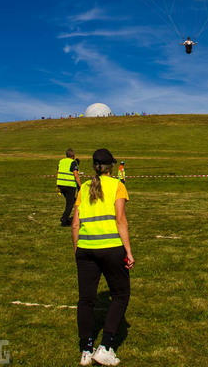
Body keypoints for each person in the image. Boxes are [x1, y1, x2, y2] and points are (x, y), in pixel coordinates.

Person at [72, 148, 134, 366]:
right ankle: (105, 347)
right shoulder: (118, 185)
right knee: (121, 294)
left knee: (86, 299)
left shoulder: (85, 186)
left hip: (85, 248)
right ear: (111, 167)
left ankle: (86, 350)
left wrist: (77, 250)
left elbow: (75, 223)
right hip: (111, 248)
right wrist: (128, 251)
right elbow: (120, 220)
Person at [57, 148, 82, 227]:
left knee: (71, 200)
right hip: (69, 185)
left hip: (61, 184)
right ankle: (64, 219)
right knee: (70, 204)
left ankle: (66, 219)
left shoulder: (61, 161)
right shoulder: (73, 162)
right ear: (73, 155)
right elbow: (75, 174)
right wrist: (80, 185)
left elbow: (58, 172)